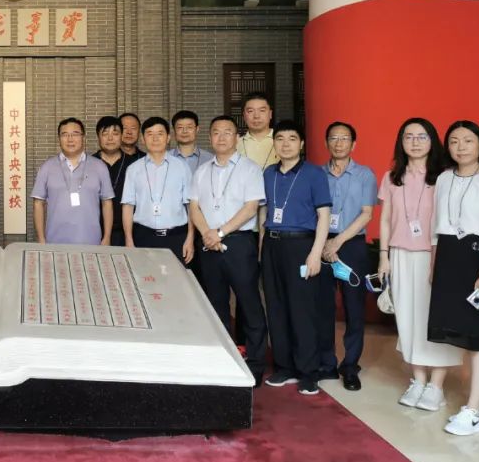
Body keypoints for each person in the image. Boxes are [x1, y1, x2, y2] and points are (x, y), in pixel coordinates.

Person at [428, 120, 479, 436]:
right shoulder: (444, 177)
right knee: (463, 333)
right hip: (448, 255)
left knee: (477, 336)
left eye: (467, 140)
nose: (460, 147)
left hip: (476, 256)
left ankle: (473, 410)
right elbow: (436, 223)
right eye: (454, 141)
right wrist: (434, 263)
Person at [377, 118, 461, 411]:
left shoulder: (446, 177)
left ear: (432, 141)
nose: (415, 142)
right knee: (407, 318)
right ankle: (418, 380)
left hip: (433, 255)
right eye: (408, 136)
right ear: (401, 142)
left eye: (422, 136)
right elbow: (385, 220)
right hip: (400, 254)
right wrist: (384, 256)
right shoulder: (392, 177)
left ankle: (436, 386)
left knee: (433, 318)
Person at [189, 114, 268, 386]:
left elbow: (251, 207)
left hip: (238, 243)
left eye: (227, 132)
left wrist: (220, 232)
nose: (221, 137)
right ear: (209, 137)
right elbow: (194, 207)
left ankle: (256, 365)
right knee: (216, 305)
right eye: (216, 132)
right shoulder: (201, 171)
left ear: (236, 137)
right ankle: (222, 360)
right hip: (208, 244)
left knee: (249, 304)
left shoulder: (250, 169)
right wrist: (207, 234)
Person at [260, 119, 332, 395]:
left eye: (292, 139)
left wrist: (315, 254)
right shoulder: (268, 173)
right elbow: (264, 212)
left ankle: (308, 371)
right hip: (272, 244)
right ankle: (284, 366)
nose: (286, 144)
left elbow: (324, 215)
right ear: (274, 144)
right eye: (280, 139)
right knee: (276, 307)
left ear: (301, 144)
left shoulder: (314, 174)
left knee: (303, 310)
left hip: (301, 245)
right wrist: (261, 247)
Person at [318, 121, 378, 391]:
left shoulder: (365, 175)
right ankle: (326, 362)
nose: (339, 143)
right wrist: (324, 243)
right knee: (323, 306)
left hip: (351, 244)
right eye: (333, 138)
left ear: (354, 144)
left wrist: (337, 242)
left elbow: (367, 213)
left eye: (344, 138)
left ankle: (351, 365)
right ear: (326, 143)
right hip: (321, 243)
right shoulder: (317, 175)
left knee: (354, 307)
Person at [122, 117, 194, 263]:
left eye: (160, 134)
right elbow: (128, 206)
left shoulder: (182, 167)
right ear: (143, 139)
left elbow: (191, 206)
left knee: (175, 277)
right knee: (144, 276)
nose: (155, 138)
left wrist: (190, 238)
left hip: (176, 237)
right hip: (143, 236)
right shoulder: (133, 169)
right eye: (150, 134)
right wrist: (129, 240)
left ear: (168, 138)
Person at [32, 118, 114, 245]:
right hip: (54, 242)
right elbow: (38, 203)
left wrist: (107, 237)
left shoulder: (99, 166)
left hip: (91, 241)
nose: (70, 139)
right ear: (59, 139)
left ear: (83, 137)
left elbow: (107, 203)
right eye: (65, 135)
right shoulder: (47, 167)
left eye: (75, 134)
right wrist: (41, 238)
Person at [94, 115, 140, 246]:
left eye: (115, 133)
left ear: (121, 136)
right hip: (95, 231)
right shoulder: (89, 164)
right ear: (98, 137)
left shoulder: (135, 165)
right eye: (105, 134)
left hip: (130, 233)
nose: (110, 138)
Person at [236, 92, 277, 169]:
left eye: (262, 110)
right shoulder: (235, 144)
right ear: (244, 116)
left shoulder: (283, 142)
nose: (256, 116)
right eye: (250, 111)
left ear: (270, 114)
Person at [169, 110, 213, 174]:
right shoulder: (165, 159)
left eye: (189, 127)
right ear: (174, 130)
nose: (185, 131)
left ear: (197, 129)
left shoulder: (209, 159)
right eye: (180, 127)